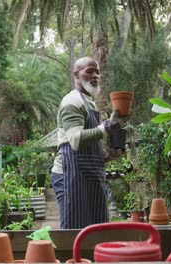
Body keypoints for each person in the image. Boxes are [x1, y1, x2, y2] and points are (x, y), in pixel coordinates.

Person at [51, 56, 128, 229]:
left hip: (90, 175)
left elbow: (90, 148)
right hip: (69, 176)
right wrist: (106, 127)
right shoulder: (72, 102)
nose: (95, 76)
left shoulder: (90, 105)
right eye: (89, 71)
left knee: (96, 230)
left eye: (98, 72)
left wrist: (109, 156)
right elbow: (76, 140)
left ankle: (90, 257)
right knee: (74, 231)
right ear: (76, 75)